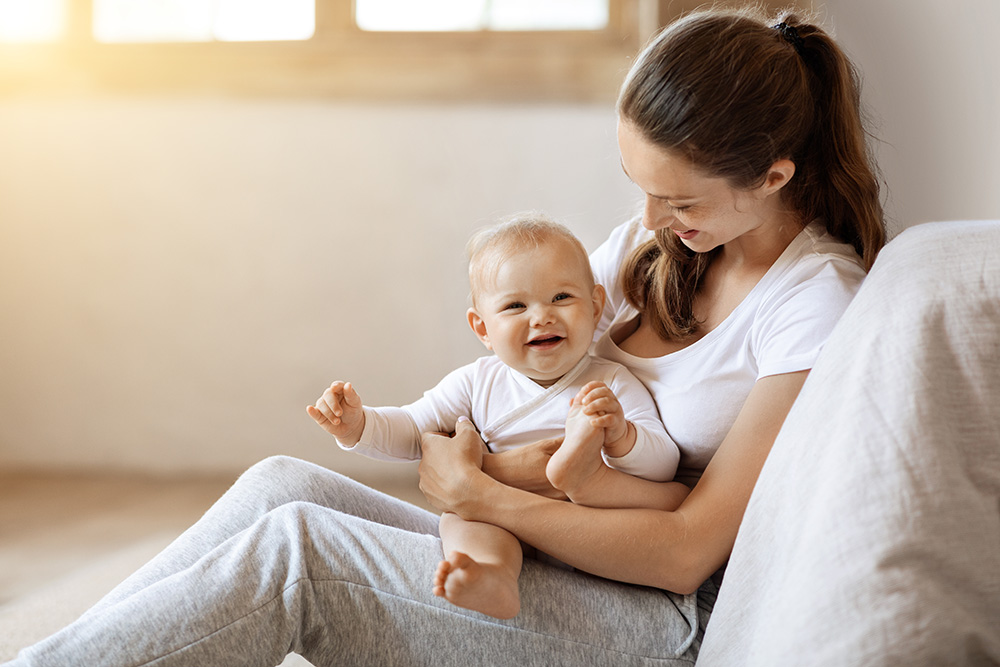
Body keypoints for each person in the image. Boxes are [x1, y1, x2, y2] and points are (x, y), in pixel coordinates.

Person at [4, 7, 886, 666]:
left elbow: (692, 548)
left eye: (681, 199)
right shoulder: (665, 245)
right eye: (639, 185)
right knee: (281, 484)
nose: (649, 219)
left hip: (655, 617)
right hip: (542, 546)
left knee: (300, 553)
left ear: (774, 175)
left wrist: (486, 489)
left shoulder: (812, 305)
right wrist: (470, 469)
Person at [305, 214, 687, 619]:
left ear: (595, 307)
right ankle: (491, 576)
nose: (541, 316)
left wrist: (623, 436)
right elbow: (415, 430)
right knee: (463, 522)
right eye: (515, 305)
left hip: (583, 528)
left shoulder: (610, 383)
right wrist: (358, 425)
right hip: (498, 520)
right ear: (482, 328)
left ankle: (576, 475)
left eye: (561, 298)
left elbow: (664, 463)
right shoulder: (476, 383)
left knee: (622, 503)